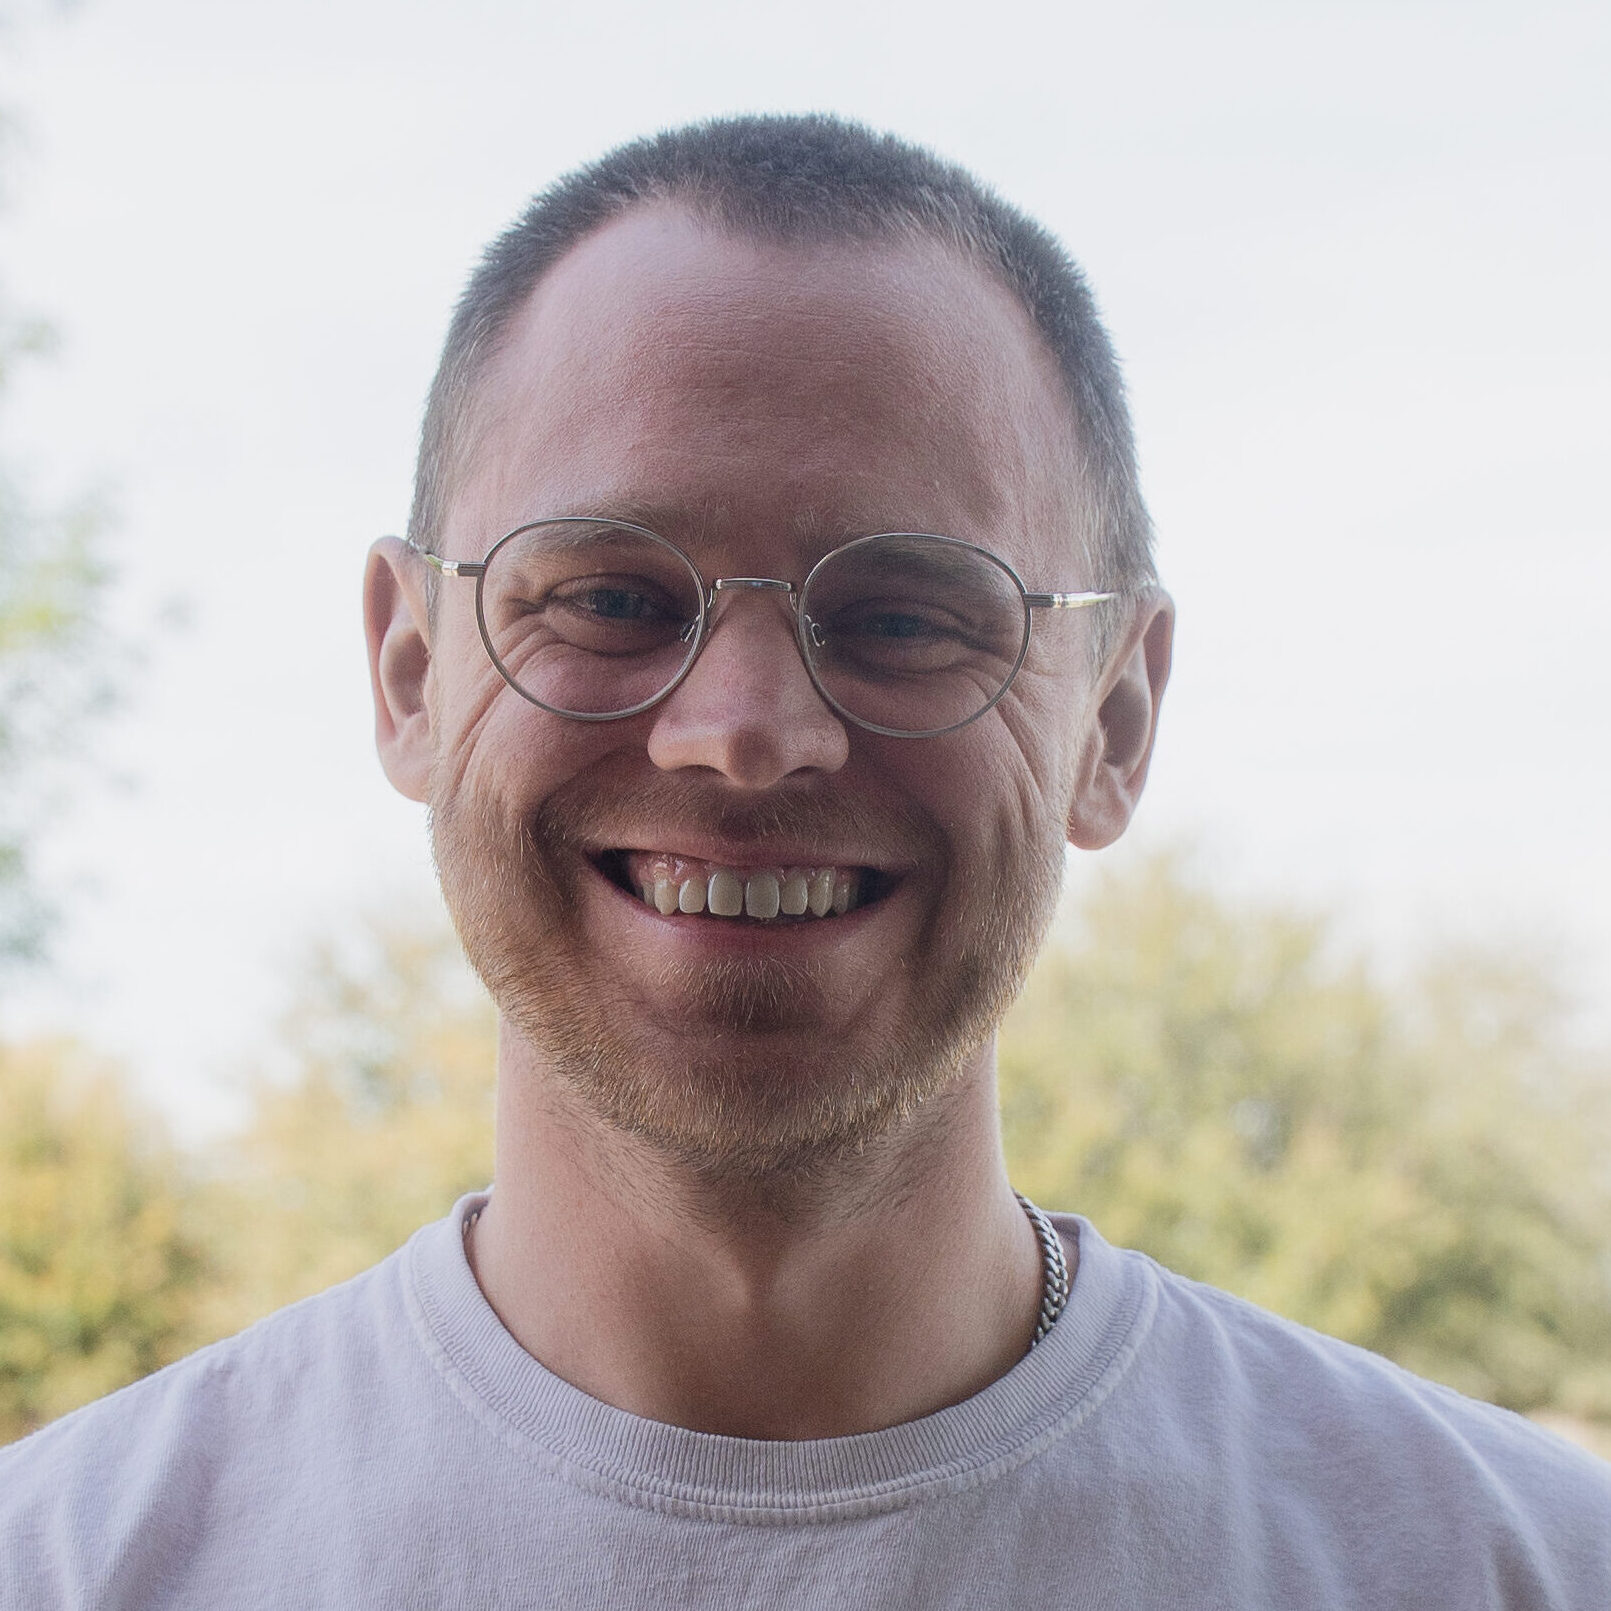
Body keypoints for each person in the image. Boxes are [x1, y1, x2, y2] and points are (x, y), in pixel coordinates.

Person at [2, 114, 1607, 1610]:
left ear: (1113, 719)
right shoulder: (74, 1568)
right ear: (412, 674)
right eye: (610, 596)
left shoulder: (1509, 1567)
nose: (746, 733)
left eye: (905, 614)